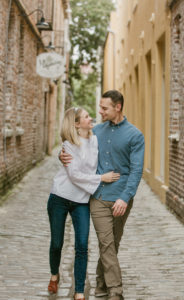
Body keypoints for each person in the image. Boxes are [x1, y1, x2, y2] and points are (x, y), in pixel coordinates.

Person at [60, 90, 145, 300]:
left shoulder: (135, 135)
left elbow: (136, 171)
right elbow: (73, 143)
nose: (100, 111)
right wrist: (61, 154)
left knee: (113, 244)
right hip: (98, 197)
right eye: (100, 107)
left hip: (121, 198)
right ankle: (116, 291)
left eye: (104, 108)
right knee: (106, 244)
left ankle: (101, 282)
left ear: (118, 107)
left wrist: (125, 198)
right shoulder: (95, 131)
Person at [47, 107, 120, 300]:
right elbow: (74, 175)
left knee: (81, 245)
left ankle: (79, 292)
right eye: (87, 116)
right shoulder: (69, 144)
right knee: (57, 243)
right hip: (60, 197)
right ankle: (54, 274)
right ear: (77, 124)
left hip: (82, 201)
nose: (91, 118)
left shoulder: (95, 140)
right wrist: (101, 178)